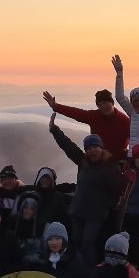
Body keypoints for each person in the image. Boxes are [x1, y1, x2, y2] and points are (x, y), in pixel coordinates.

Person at [49, 113, 124, 264]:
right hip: (77, 211)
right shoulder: (83, 162)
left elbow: (118, 190)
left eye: (95, 147)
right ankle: (78, 268)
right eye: (88, 148)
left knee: (88, 242)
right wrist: (54, 130)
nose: (92, 150)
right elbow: (68, 146)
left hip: (95, 214)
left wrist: (105, 206)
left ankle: (90, 270)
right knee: (76, 240)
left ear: (101, 148)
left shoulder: (110, 167)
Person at [43, 87, 131, 161]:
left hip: (117, 162)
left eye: (105, 103)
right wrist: (56, 106)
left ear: (112, 103)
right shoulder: (95, 116)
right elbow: (76, 113)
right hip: (96, 158)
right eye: (99, 105)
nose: (103, 107)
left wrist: (117, 158)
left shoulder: (125, 121)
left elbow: (136, 142)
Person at [13, 166, 73, 236]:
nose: (45, 180)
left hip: (52, 235)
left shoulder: (58, 197)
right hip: (33, 234)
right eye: (43, 178)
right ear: (38, 179)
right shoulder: (32, 196)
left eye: (48, 178)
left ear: (52, 180)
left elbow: (63, 217)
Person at [12, 191, 46, 265]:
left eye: (32, 209)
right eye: (25, 208)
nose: (28, 211)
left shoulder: (41, 225)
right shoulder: (13, 222)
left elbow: (42, 250)